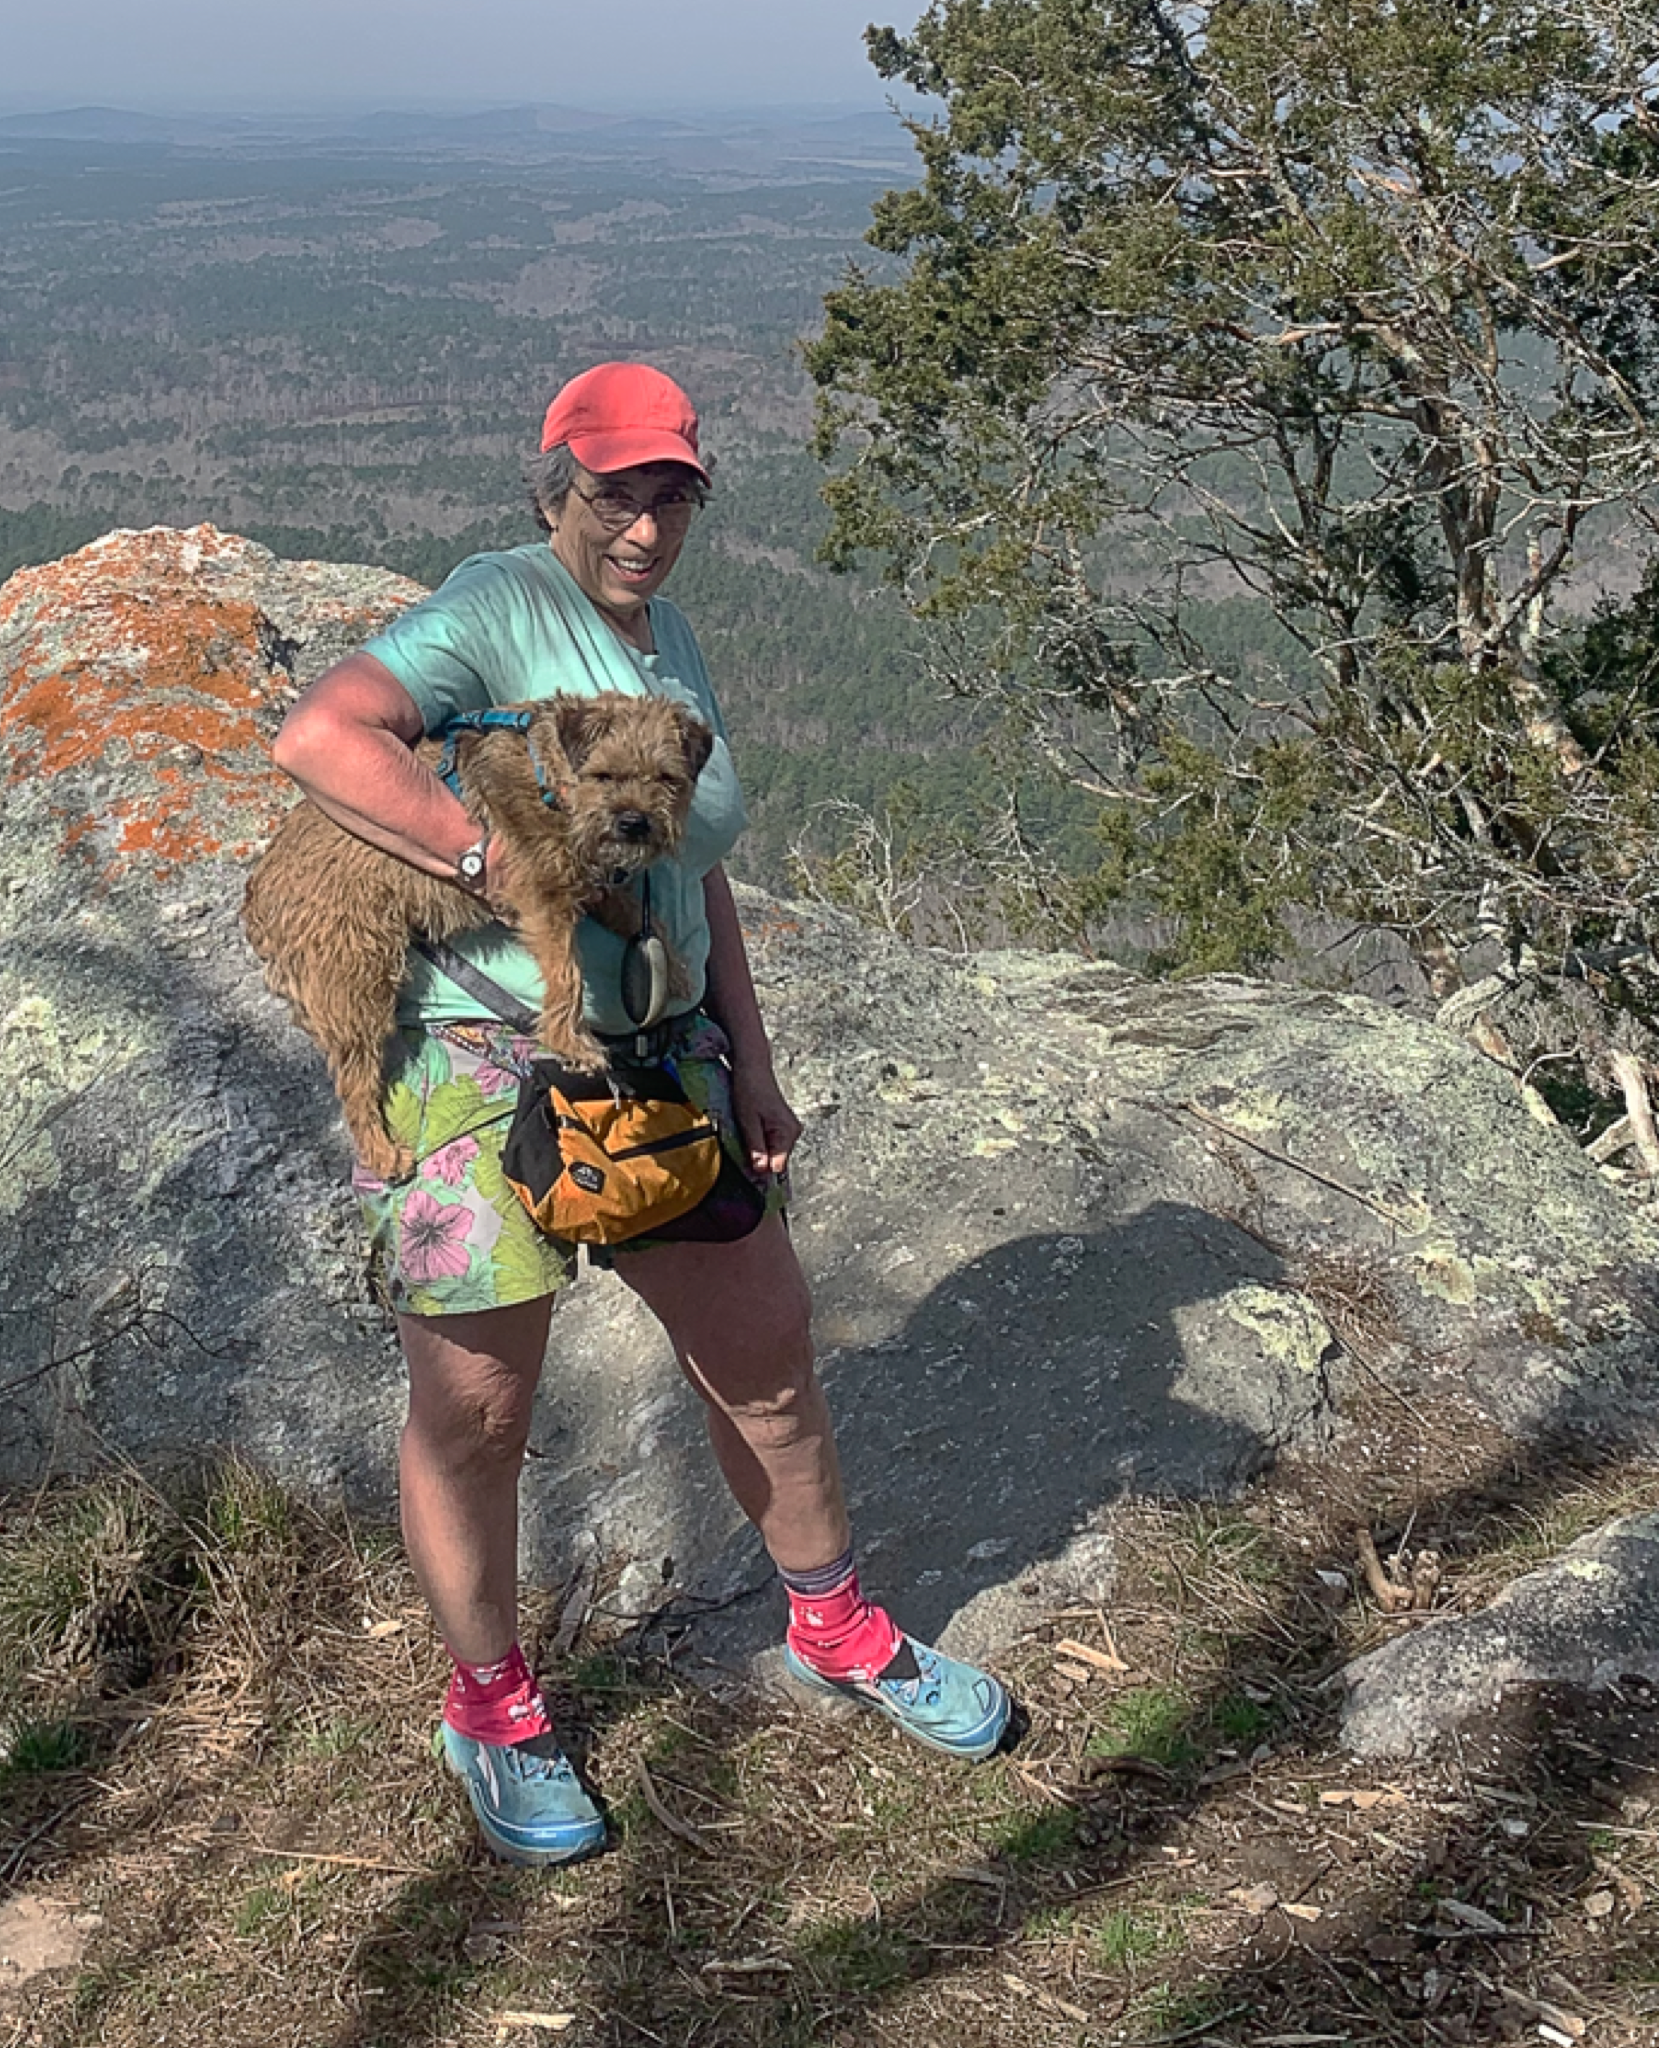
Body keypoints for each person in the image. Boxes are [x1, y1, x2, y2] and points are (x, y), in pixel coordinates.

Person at [269, 361, 1011, 1868]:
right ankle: (489, 1707)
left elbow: (697, 867)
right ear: (558, 490)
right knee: (478, 1410)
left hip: (660, 1048)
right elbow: (322, 735)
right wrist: (473, 854)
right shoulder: (490, 605)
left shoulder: (667, 642)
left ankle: (837, 1626)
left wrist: (751, 1050)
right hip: (482, 1056)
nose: (645, 526)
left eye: (671, 495)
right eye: (616, 493)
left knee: (767, 1357)